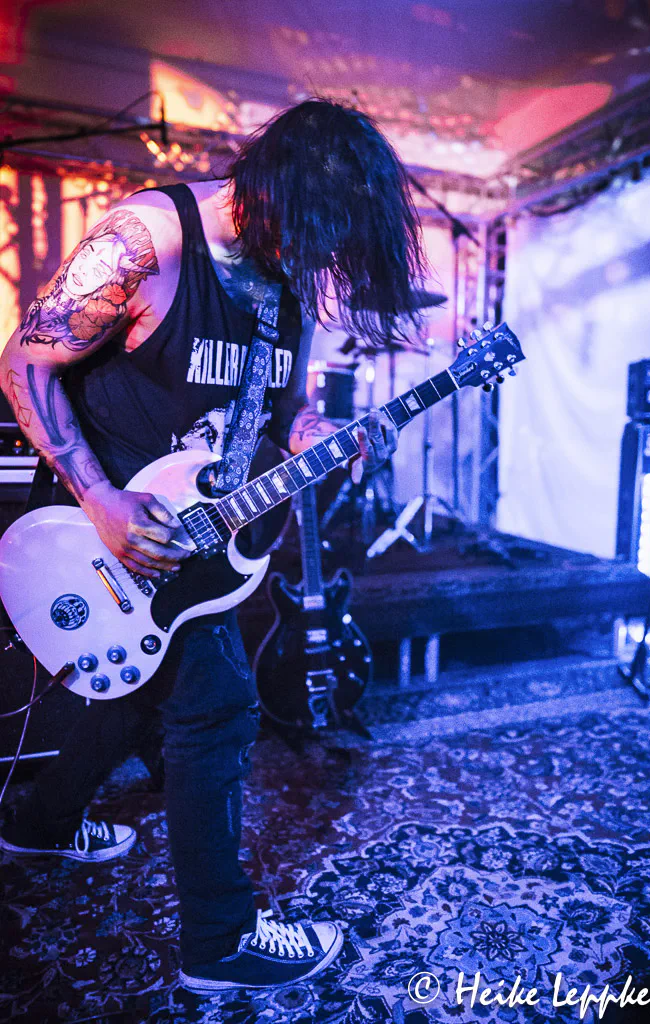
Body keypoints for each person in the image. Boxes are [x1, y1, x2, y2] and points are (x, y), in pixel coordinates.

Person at [0, 99, 426, 993]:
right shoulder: (149, 237)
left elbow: (272, 416)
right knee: (218, 706)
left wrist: (317, 437)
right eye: (318, 231)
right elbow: (24, 363)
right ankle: (221, 944)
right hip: (99, 519)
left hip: (192, 536)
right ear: (275, 190)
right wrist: (101, 499)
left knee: (127, 690)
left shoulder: (282, 282)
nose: (321, 255)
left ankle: (35, 827)